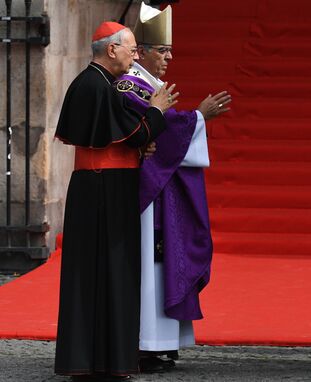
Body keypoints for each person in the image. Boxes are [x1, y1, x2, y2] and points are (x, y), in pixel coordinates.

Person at [54, 21, 178, 380]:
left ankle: (99, 360)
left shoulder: (96, 84)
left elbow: (125, 137)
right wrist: (156, 109)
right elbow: (135, 131)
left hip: (102, 186)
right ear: (112, 50)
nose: (136, 54)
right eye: (132, 48)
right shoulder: (96, 86)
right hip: (104, 189)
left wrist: (141, 140)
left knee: (103, 275)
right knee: (111, 272)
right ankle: (103, 361)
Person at [114, 3, 231, 372]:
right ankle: (144, 343)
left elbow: (163, 124)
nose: (168, 58)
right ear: (141, 52)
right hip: (148, 192)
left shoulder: (153, 85)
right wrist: (198, 116)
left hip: (164, 190)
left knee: (163, 262)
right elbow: (151, 130)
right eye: (162, 51)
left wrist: (191, 118)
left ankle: (161, 342)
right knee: (150, 264)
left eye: (170, 52)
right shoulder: (129, 84)